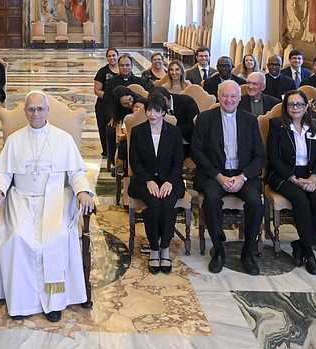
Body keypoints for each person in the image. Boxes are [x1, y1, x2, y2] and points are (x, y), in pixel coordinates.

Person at [0, 91, 96, 322]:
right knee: (16, 237)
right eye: (31, 109)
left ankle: (54, 302)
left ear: (47, 111)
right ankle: (21, 301)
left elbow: (76, 172)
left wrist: (83, 191)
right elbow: (4, 173)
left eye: (40, 109)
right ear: (25, 112)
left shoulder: (63, 138)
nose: (36, 113)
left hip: (56, 201)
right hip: (22, 200)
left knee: (56, 237)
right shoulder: (14, 140)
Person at [191, 81, 265, 275]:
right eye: (225, 95)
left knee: (256, 203)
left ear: (240, 98)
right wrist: (219, 176)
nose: (229, 100)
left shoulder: (250, 120)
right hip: (214, 174)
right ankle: (218, 250)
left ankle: (248, 251)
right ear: (218, 96)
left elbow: (260, 156)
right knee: (211, 201)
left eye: (233, 96)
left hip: (243, 176)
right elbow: (196, 152)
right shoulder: (205, 119)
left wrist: (243, 177)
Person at [267, 90, 316, 275]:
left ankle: (301, 243)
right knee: (301, 200)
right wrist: (294, 179)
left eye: (299, 104)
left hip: (310, 175)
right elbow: (273, 158)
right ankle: (309, 252)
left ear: (306, 106)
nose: (295, 108)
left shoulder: (315, 127)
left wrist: (313, 178)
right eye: (291, 104)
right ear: (285, 107)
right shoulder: (277, 125)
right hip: (283, 174)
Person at [128, 93, 184, 274]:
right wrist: (149, 181)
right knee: (153, 204)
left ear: (164, 113)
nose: (152, 114)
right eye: (149, 110)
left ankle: (165, 248)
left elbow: (178, 162)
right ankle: (154, 248)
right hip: (144, 180)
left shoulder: (174, 132)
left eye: (157, 111)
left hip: (170, 180)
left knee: (168, 204)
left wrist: (168, 182)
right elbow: (134, 162)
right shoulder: (138, 131)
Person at [93, 48, 120, 158]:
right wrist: (110, 97)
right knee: (104, 128)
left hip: (119, 105)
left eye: (114, 55)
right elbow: (97, 90)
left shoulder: (123, 69)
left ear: (118, 56)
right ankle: (107, 152)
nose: (112, 58)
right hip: (104, 106)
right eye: (109, 56)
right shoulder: (102, 72)